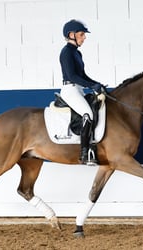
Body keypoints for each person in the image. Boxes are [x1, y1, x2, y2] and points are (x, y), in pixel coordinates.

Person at [59, 19, 105, 165]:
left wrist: (96, 84)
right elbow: (72, 76)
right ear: (71, 34)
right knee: (88, 114)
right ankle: (85, 153)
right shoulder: (66, 52)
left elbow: (83, 76)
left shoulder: (77, 53)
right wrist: (92, 86)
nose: (84, 37)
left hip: (77, 89)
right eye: (81, 34)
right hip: (70, 89)